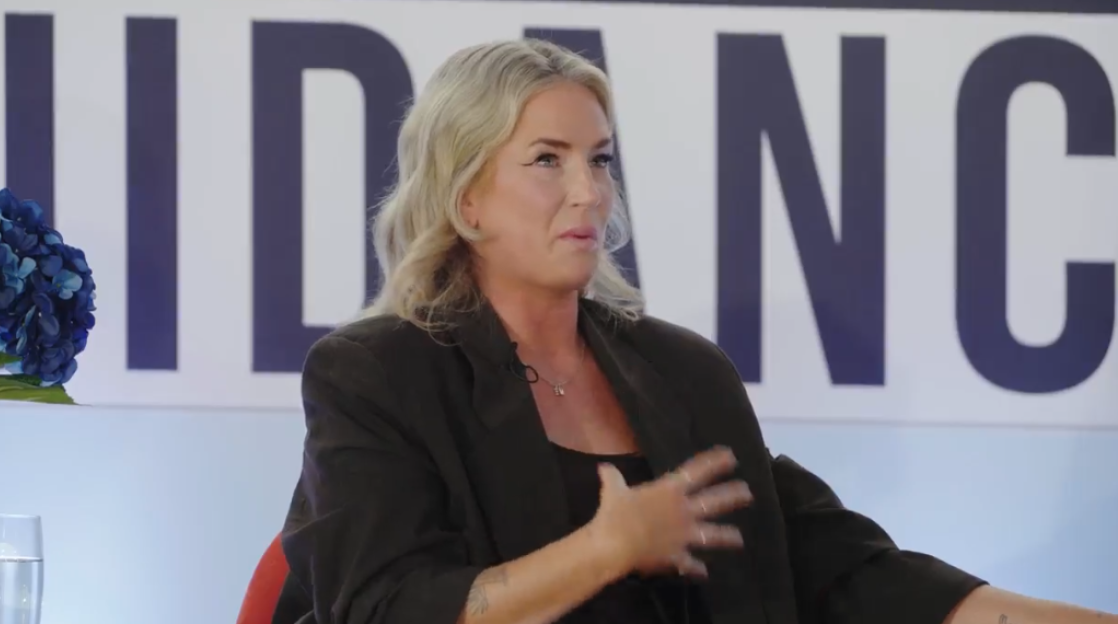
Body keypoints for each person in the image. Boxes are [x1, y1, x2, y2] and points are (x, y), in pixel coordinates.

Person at [272, 38, 1115, 624]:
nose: (589, 193)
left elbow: (847, 572)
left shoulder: (678, 371)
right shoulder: (374, 375)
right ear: (465, 201)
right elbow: (382, 609)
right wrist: (605, 549)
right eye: (546, 160)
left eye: (599, 159)